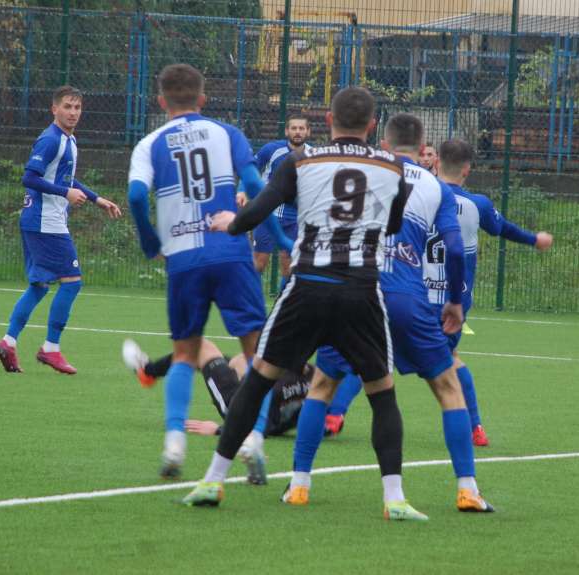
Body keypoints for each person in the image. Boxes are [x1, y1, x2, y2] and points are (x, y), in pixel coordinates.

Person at [181, 87, 428, 521]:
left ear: (328, 119)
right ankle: (395, 498)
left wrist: (231, 223)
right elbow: (390, 224)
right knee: (382, 394)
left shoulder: (301, 160)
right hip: (361, 291)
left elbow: (263, 207)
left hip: (308, 285)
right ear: (372, 125)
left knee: (258, 379)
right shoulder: (393, 167)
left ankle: (213, 481)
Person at [292, 114, 494, 514]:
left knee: (323, 384)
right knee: (447, 388)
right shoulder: (437, 187)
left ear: (383, 143)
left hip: (359, 289)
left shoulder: (367, 169)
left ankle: (299, 485)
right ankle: (467, 490)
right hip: (407, 297)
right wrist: (454, 300)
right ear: (424, 151)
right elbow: (454, 251)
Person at [127, 63, 292, 480]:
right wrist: (279, 237)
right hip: (232, 250)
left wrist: (150, 239)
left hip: (184, 258)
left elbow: (133, 194)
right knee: (257, 354)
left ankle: (174, 443)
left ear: (161, 101)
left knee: (185, 353)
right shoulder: (227, 133)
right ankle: (253, 439)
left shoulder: (150, 143)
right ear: (203, 99)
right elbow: (257, 187)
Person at [426, 138, 553, 446]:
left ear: (436, 161)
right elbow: (504, 228)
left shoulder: (418, 196)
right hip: (454, 299)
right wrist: (534, 238)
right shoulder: (478, 205)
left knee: (376, 354)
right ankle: (474, 426)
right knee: (450, 359)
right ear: (468, 170)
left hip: (414, 293)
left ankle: (334, 413)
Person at [0, 86, 122, 375]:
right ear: (54, 109)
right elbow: (30, 177)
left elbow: (67, 179)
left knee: (39, 287)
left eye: (77, 107)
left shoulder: (68, 140)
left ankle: (8, 342)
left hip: (37, 222)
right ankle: (51, 348)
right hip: (45, 223)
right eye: (67, 107)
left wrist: (96, 199)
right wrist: (64, 193)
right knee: (72, 282)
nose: (73, 113)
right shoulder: (51, 140)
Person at [121, 338, 360, 440]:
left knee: (201, 347)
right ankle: (150, 371)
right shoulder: (313, 376)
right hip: (262, 405)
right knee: (237, 361)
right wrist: (332, 420)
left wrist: (220, 430)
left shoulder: (299, 372)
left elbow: (266, 423)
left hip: (240, 407)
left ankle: (147, 372)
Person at [242, 116, 312, 284]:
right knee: (259, 261)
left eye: (301, 128)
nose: (297, 132)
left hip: (294, 216)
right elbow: (250, 169)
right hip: (268, 213)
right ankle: (250, 301)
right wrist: (243, 192)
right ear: (287, 131)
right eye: (294, 128)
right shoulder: (271, 150)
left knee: (288, 265)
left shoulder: (313, 155)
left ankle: (281, 306)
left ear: (308, 132)